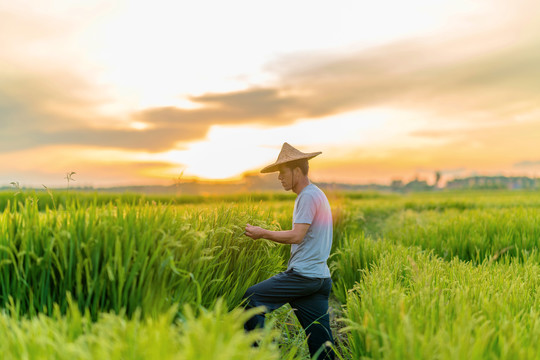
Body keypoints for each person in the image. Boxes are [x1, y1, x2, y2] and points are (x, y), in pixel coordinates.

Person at [243, 142, 335, 360]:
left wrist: (262, 232)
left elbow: (296, 235)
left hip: (303, 277)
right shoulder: (316, 194)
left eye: (282, 173)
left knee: (251, 300)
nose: (279, 178)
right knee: (322, 348)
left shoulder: (307, 196)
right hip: (319, 279)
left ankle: (263, 355)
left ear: (296, 171)